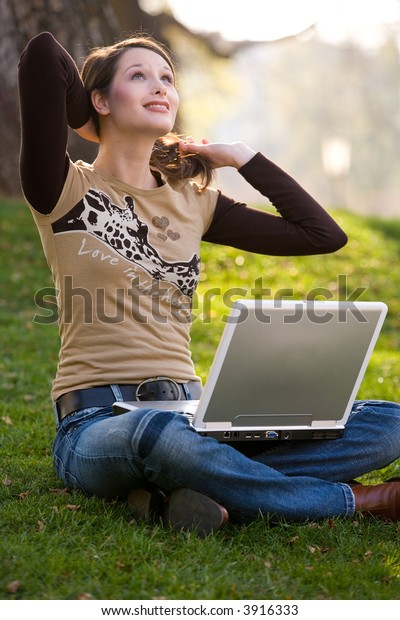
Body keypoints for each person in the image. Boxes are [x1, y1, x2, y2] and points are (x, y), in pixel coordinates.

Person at [18, 31, 400, 537]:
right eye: (138, 77)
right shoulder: (63, 189)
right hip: (99, 425)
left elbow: (321, 235)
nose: (160, 88)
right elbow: (45, 53)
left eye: (167, 79)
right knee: (159, 435)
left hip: (199, 415)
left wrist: (244, 157)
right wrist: (90, 121)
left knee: (389, 422)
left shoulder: (192, 202)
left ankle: (188, 489)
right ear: (101, 99)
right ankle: (357, 500)